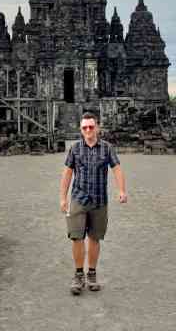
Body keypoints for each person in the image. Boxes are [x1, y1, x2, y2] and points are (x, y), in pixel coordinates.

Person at [59, 111, 127, 295]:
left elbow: (117, 169)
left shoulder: (107, 148)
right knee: (76, 237)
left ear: (97, 127)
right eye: (84, 128)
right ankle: (78, 275)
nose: (88, 130)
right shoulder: (75, 149)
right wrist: (63, 198)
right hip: (79, 198)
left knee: (95, 238)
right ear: (81, 130)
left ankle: (92, 274)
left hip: (99, 200)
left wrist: (121, 190)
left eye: (91, 127)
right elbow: (67, 173)